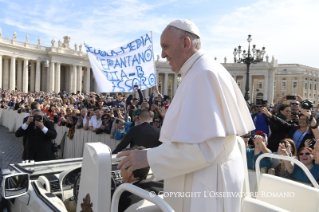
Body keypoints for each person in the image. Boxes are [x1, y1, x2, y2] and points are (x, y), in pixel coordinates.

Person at [117, 19, 254, 212]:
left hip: (207, 184)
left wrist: (148, 157)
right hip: (207, 178)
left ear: (185, 44)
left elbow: (205, 149)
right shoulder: (199, 71)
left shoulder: (203, 74)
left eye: (165, 46)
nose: (163, 54)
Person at [117, 146, 163, 212]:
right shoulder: (162, 188)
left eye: (121, 166)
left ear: (129, 172)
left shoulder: (121, 198)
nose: (120, 170)